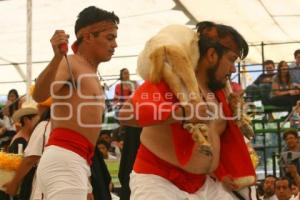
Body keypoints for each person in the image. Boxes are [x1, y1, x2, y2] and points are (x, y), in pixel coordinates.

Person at [119, 21, 255, 199]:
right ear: (212, 55)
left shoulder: (221, 92)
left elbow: (216, 139)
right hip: (158, 182)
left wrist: (222, 173)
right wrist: (184, 113)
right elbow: (125, 114)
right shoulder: (169, 78)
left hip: (205, 184)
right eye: (231, 59)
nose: (233, 68)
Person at [32, 6, 119, 200]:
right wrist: (56, 58)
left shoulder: (87, 70)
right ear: (87, 36)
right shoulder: (70, 62)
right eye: (110, 38)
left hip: (78, 159)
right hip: (65, 158)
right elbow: (39, 94)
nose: (115, 45)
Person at [3, 100, 51, 200]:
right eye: (35, 117)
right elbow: (26, 161)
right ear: (26, 120)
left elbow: (29, 160)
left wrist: (14, 183)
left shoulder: (43, 127)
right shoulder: (20, 140)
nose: (38, 119)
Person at [0, 101, 38, 200]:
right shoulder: (20, 141)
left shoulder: (27, 138)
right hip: (20, 190)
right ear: (26, 120)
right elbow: (16, 167)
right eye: (35, 119)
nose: (38, 123)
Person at [114, 68, 142, 200]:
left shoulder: (135, 84)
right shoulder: (119, 86)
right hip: (128, 113)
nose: (127, 74)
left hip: (134, 113)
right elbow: (117, 100)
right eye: (124, 73)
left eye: (127, 73)